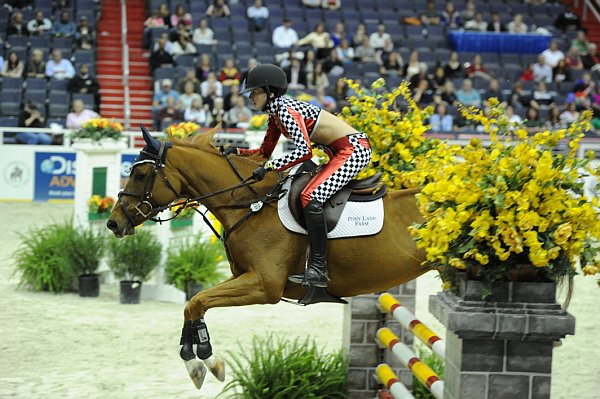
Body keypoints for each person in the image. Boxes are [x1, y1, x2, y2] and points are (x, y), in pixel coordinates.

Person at [221, 64, 372, 287]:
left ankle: (319, 268)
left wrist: (269, 168)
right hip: (340, 151)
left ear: (269, 92)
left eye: (254, 92)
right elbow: (263, 153)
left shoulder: (286, 111)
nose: (251, 97)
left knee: (309, 196)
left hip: (353, 150)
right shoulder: (276, 113)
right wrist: (237, 152)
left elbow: (303, 152)